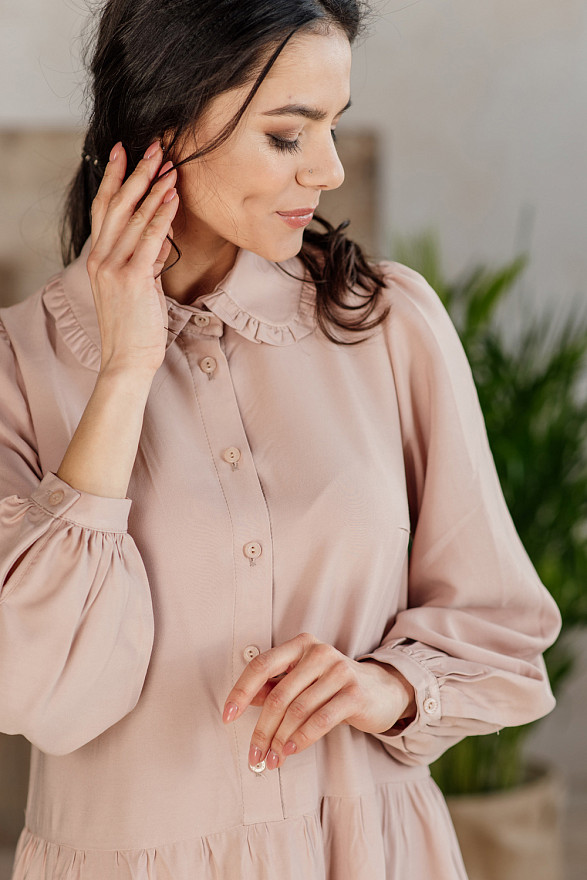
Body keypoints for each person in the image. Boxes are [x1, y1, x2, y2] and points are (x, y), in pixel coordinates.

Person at [0, 1, 561, 878]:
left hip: (373, 853)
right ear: (163, 125)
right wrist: (125, 370)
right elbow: (38, 688)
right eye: (287, 136)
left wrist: (385, 687)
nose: (329, 170)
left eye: (331, 127)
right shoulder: (16, 367)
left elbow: (502, 631)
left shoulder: (385, 322)